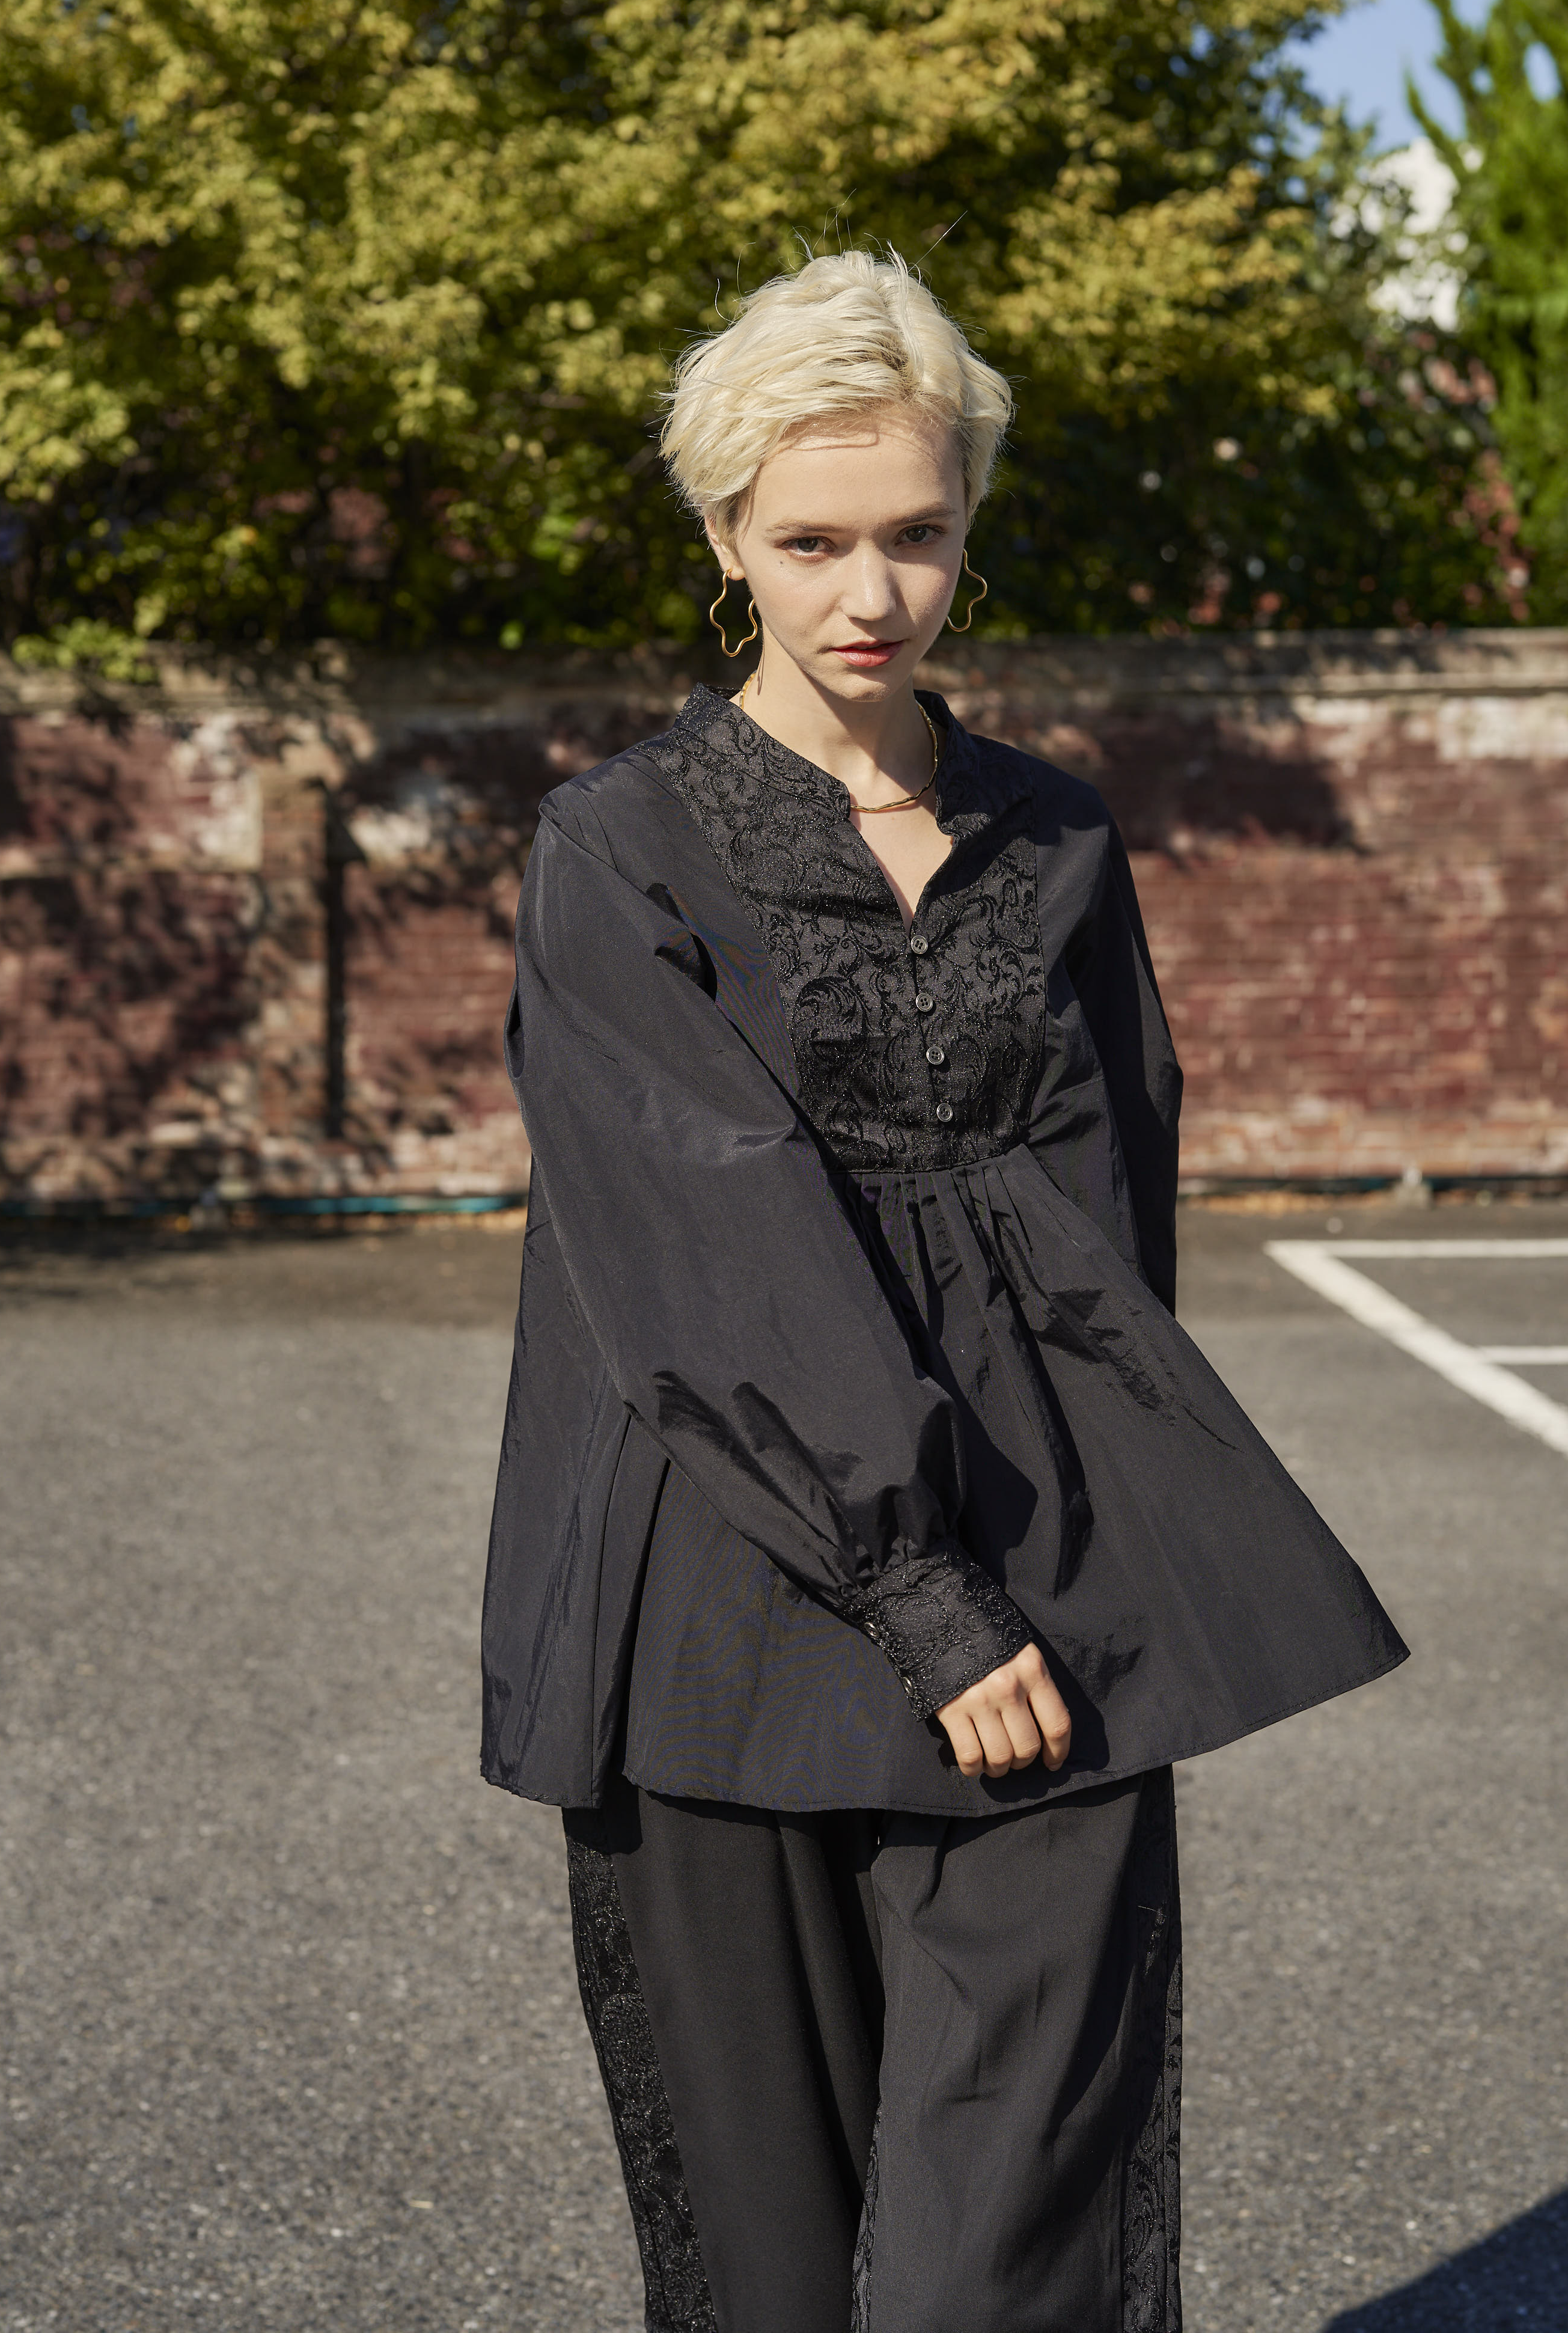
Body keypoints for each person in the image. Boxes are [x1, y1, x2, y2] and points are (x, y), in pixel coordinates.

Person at [480, 249, 1405, 2333]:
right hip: (728, 1600)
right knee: (779, 2249)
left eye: (914, 532)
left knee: (1026, 2222)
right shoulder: (621, 852)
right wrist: (917, 1587)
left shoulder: (1054, 837)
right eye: (811, 542)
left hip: (1047, 1573)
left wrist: (1094, 1549)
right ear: (727, 538)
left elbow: (1113, 1205)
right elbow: (704, 1237)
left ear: (970, 522)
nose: (868, 592)